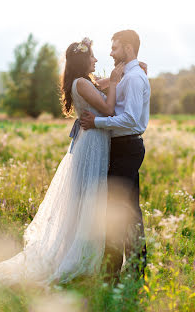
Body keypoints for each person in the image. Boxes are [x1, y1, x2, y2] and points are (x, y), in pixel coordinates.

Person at [0, 38, 124, 287]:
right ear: (83, 60)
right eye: (92, 57)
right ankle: (78, 255)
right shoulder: (82, 83)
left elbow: (100, 86)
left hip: (91, 141)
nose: (95, 60)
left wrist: (118, 76)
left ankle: (81, 249)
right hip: (91, 143)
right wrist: (114, 82)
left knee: (86, 199)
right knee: (88, 198)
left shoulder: (83, 82)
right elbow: (109, 108)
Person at [80, 30, 151, 282]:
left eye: (115, 48)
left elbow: (131, 119)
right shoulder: (127, 75)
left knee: (117, 211)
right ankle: (135, 270)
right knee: (130, 211)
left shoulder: (133, 78)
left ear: (129, 49)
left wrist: (97, 122)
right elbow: (107, 90)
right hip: (124, 147)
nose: (110, 53)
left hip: (127, 147)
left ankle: (111, 274)